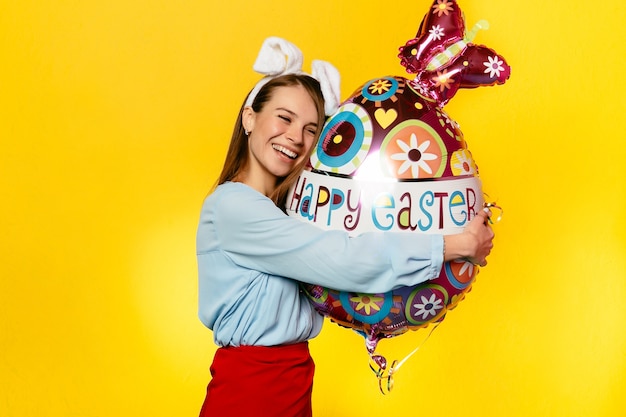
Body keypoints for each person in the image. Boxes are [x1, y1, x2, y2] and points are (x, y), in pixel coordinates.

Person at [196, 37, 494, 417]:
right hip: (250, 395)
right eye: (284, 118)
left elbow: (346, 253)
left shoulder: (288, 212)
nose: (295, 138)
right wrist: (451, 245)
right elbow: (340, 258)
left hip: (291, 386)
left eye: (310, 129)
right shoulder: (232, 207)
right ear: (250, 117)